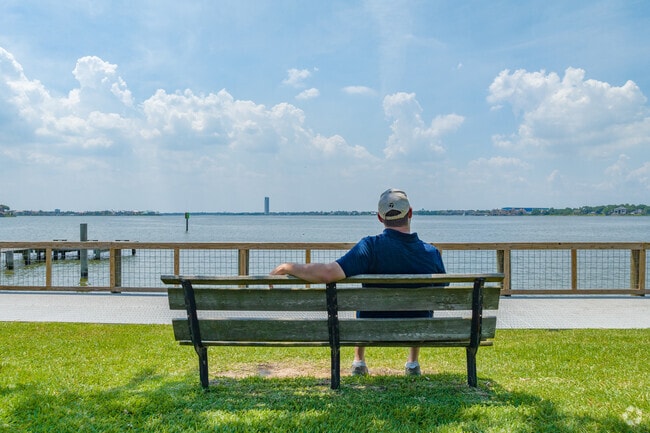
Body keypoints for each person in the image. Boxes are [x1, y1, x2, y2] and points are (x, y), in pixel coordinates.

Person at [270, 188, 446, 376]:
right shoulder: (431, 253)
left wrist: (288, 267)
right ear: (410, 213)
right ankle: (412, 364)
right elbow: (441, 291)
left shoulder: (369, 247)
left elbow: (329, 273)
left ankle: (359, 361)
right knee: (420, 303)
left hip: (369, 327)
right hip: (418, 327)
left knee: (366, 304)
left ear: (380, 217)